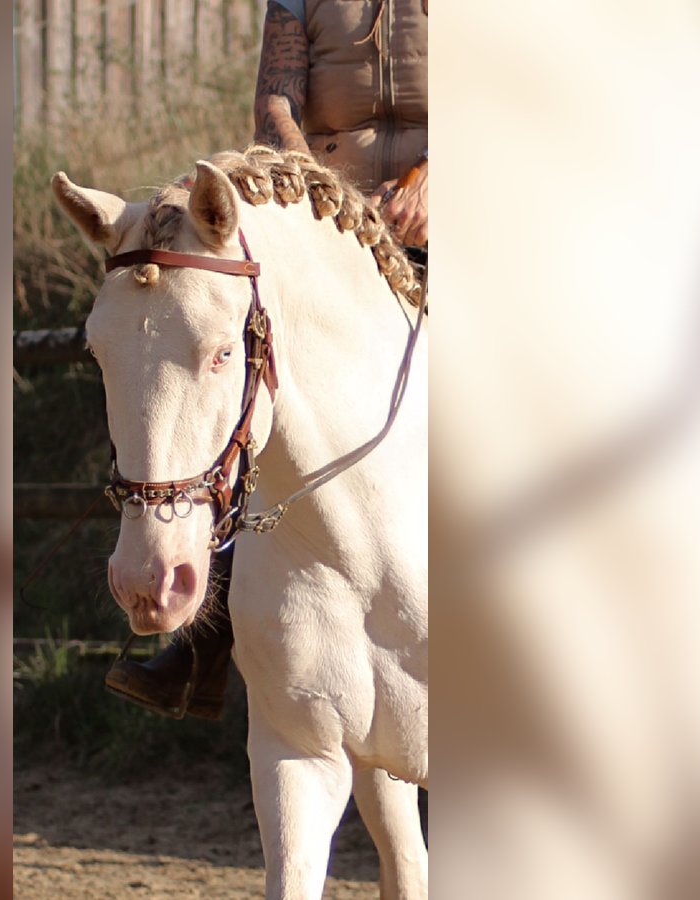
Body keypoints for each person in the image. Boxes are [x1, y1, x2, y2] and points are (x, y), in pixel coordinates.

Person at [105, 0, 428, 718]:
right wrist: (322, 203)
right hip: (342, 230)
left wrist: (436, 180)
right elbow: (275, 104)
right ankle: (205, 641)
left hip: (449, 215)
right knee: (245, 381)